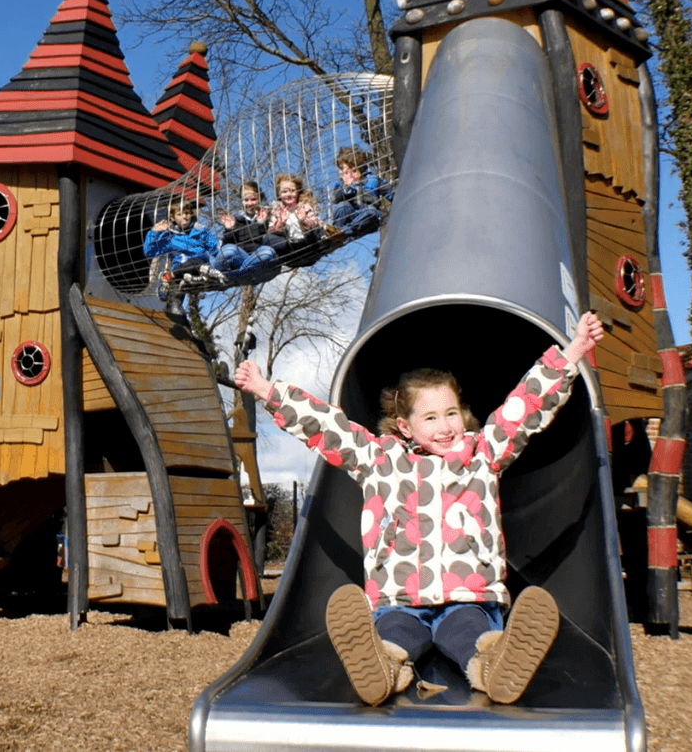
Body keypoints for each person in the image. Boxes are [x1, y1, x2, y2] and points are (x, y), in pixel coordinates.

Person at [232, 311, 605, 706]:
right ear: (405, 427)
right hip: (400, 597)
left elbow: (526, 406)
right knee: (396, 633)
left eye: (451, 413)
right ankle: (383, 668)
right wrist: (265, 390)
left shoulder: (482, 453)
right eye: (430, 417)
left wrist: (575, 349)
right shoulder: (378, 459)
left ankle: (495, 664)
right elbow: (327, 426)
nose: (445, 426)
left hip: (468, 594)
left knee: (467, 631)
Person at [144, 200, 226, 284]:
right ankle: (177, 283)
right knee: (179, 286)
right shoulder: (170, 237)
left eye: (187, 213)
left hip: (201, 267)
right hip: (180, 270)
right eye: (179, 214)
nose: (184, 216)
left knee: (196, 261)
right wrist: (154, 232)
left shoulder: (201, 231)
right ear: (173, 218)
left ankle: (194, 280)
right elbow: (149, 251)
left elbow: (215, 250)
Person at [216, 181, 278, 277]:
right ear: (242, 201)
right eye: (246, 200)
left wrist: (261, 224)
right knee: (228, 250)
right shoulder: (235, 219)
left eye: (253, 199)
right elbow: (225, 249)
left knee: (267, 252)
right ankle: (241, 272)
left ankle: (238, 275)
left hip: (261, 260)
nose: (250, 203)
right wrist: (229, 230)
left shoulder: (269, 215)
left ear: (259, 198)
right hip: (241, 260)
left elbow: (272, 242)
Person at [263, 173, 326, 264]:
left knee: (320, 232)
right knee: (267, 239)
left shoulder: (305, 207)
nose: (288, 194)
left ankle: (305, 245)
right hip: (289, 251)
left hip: (308, 247)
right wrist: (281, 224)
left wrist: (304, 220)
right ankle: (292, 245)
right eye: (284, 192)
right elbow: (271, 229)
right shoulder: (277, 211)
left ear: (298, 192)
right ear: (279, 194)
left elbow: (317, 224)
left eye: (292, 191)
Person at [329, 145, 389, 238]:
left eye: (343, 170)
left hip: (364, 218)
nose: (341, 174)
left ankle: (342, 232)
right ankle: (334, 234)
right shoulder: (341, 184)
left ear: (353, 167)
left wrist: (355, 190)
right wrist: (347, 189)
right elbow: (336, 198)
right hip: (349, 216)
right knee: (342, 207)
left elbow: (388, 192)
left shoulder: (372, 180)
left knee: (371, 212)